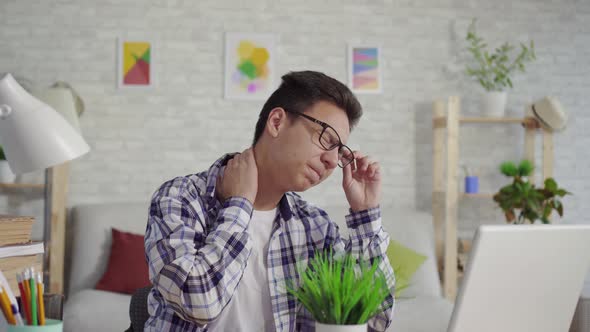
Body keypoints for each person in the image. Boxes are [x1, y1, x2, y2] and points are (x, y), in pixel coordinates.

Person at [144, 70, 395, 331]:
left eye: (339, 151)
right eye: (326, 139)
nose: (332, 160)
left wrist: (366, 215)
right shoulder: (180, 198)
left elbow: (375, 322)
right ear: (276, 122)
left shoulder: (314, 226)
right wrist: (238, 205)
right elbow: (197, 303)